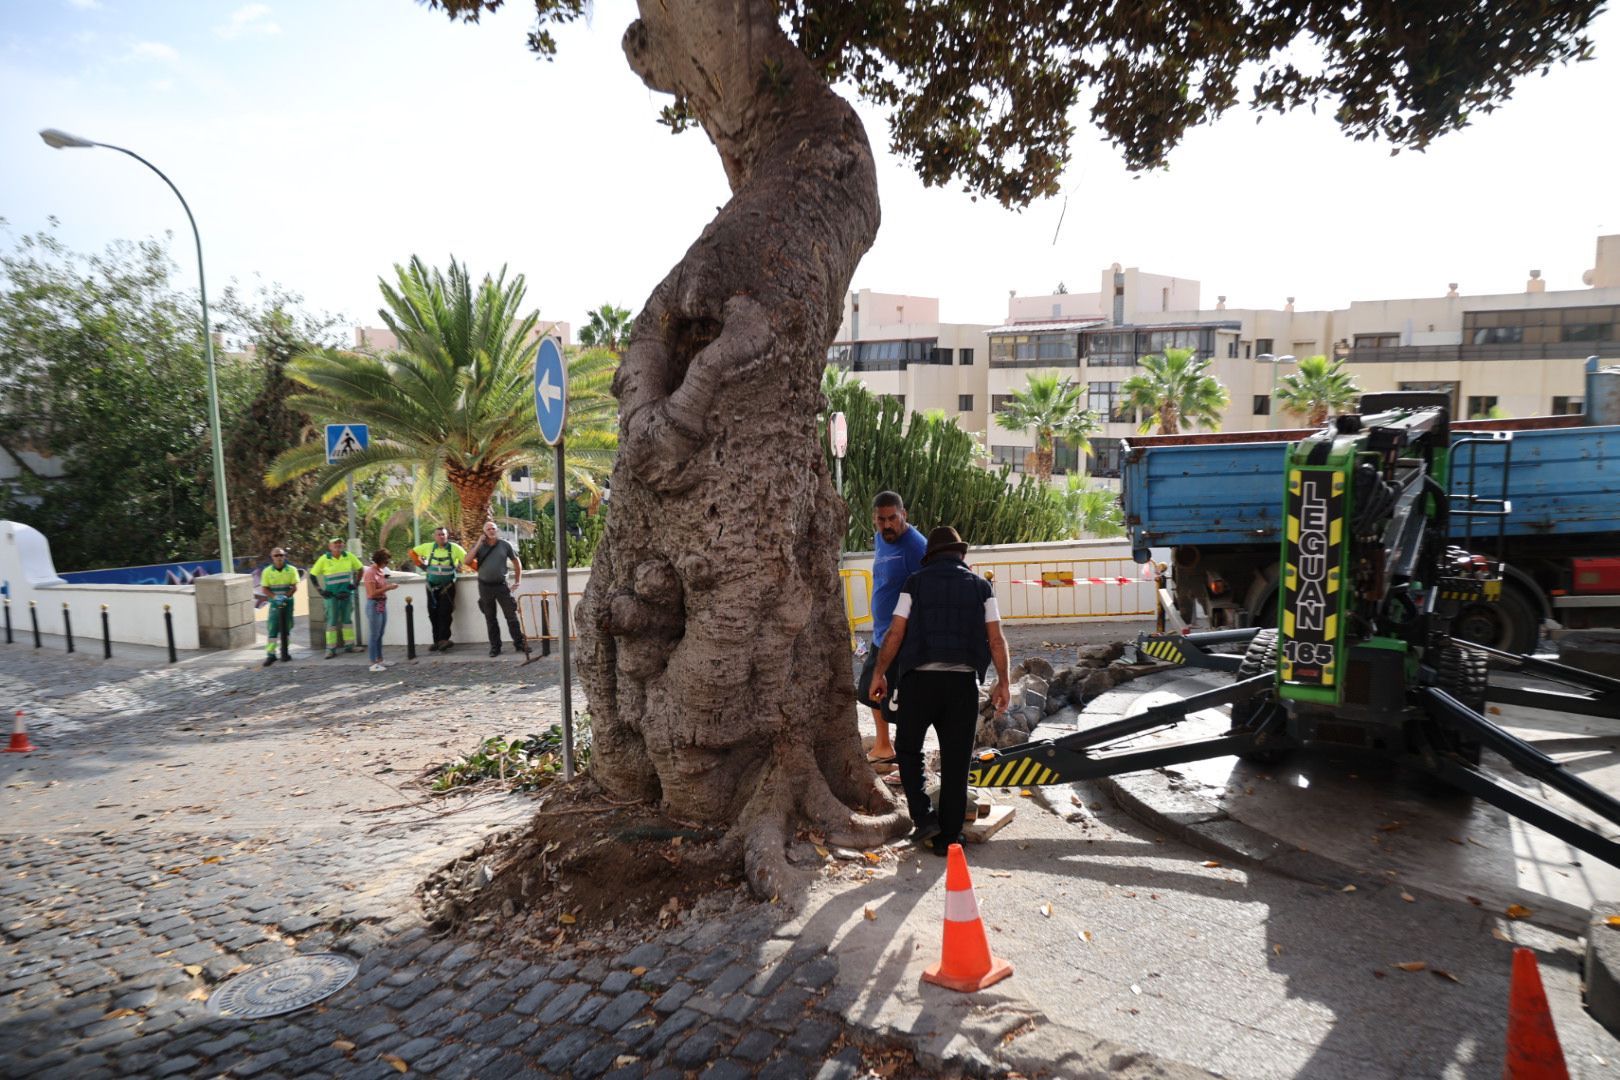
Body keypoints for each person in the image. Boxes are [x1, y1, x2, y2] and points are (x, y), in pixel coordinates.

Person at [868, 526, 1011, 856]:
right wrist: (1003, 682)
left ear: (930, 557)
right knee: (958, 761)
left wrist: (879, 673)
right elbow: (995, 639)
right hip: (962, 684)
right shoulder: (981, 587)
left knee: (907, 750)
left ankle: (923, 817)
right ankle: (949, 837)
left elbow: (895, 633)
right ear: (961, 556)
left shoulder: (914, 583)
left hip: (920, 682)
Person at [855, 491, 927, 764]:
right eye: (880, 519)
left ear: (903, 515)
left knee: (901, 702)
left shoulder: (916, 547)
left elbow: (928, 591)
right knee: (871, 693)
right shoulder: (880, 540)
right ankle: (883, 746)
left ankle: (908, 756)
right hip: (879, 635)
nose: (886, 525)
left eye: (892, 519)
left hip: (902, 639)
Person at [466, 521, 527, 657]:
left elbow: (517, 564)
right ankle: (495, 647)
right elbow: (467, 561)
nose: (491, 531)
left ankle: (519, 644)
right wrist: (478, 544)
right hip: (485, 586)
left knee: (511, 616)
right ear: (484, 532)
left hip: (502, 586)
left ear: (496, 530)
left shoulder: (505, 545)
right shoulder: (479, 547)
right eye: (488, 529)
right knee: (490, 618)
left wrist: (518, 581)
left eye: (493, 528)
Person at [410, 526, 467, 652]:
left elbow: (468, 560)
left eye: (443, 534)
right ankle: (436, 641)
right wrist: (421, 565)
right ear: (434, 536)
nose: (441, 536)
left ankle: (444, 639)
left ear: (447, 536)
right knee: (432, 613)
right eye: (439, 534)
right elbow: (412, 553)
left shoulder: (455, 548)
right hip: (431, 587)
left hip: (448, 588)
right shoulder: (427, 547)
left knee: (445, 613)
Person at [309, 537, 364, 659]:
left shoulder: (349, 556)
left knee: (347, 621)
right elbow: (312, 575)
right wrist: (320, 591)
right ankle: (330, 649)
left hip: (346, 594)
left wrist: (355, 584)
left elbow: (360, 569)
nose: (338, 545)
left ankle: (350, 646)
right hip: (331, 596)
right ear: (330, 546)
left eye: (340, 543)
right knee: (332, 622)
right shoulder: (324, 559)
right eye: (335, 543)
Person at [259, 547, 301, 667]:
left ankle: (285, 652)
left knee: (287, 627)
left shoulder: (292, 570)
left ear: (285, 556)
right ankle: (271, 654)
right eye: (276, 556)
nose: (279, 557)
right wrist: (275, 597)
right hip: (274, 603)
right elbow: (264, 588)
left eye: (281, 555)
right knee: (273, 627)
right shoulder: (267, 571)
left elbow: (294, 586)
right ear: (272, 557)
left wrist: (285, 597)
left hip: (288, 602)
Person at [362, 548, 399, 672]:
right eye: (386, 561)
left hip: (381, 604)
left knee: (380, 633)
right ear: (381, 561)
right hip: (374, 604)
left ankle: (380, 659)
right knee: (374, 634)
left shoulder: (380, 571)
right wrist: (388, 588)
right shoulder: (371, 573)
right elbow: (372, 593)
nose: (387, 564)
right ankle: (373, 662)